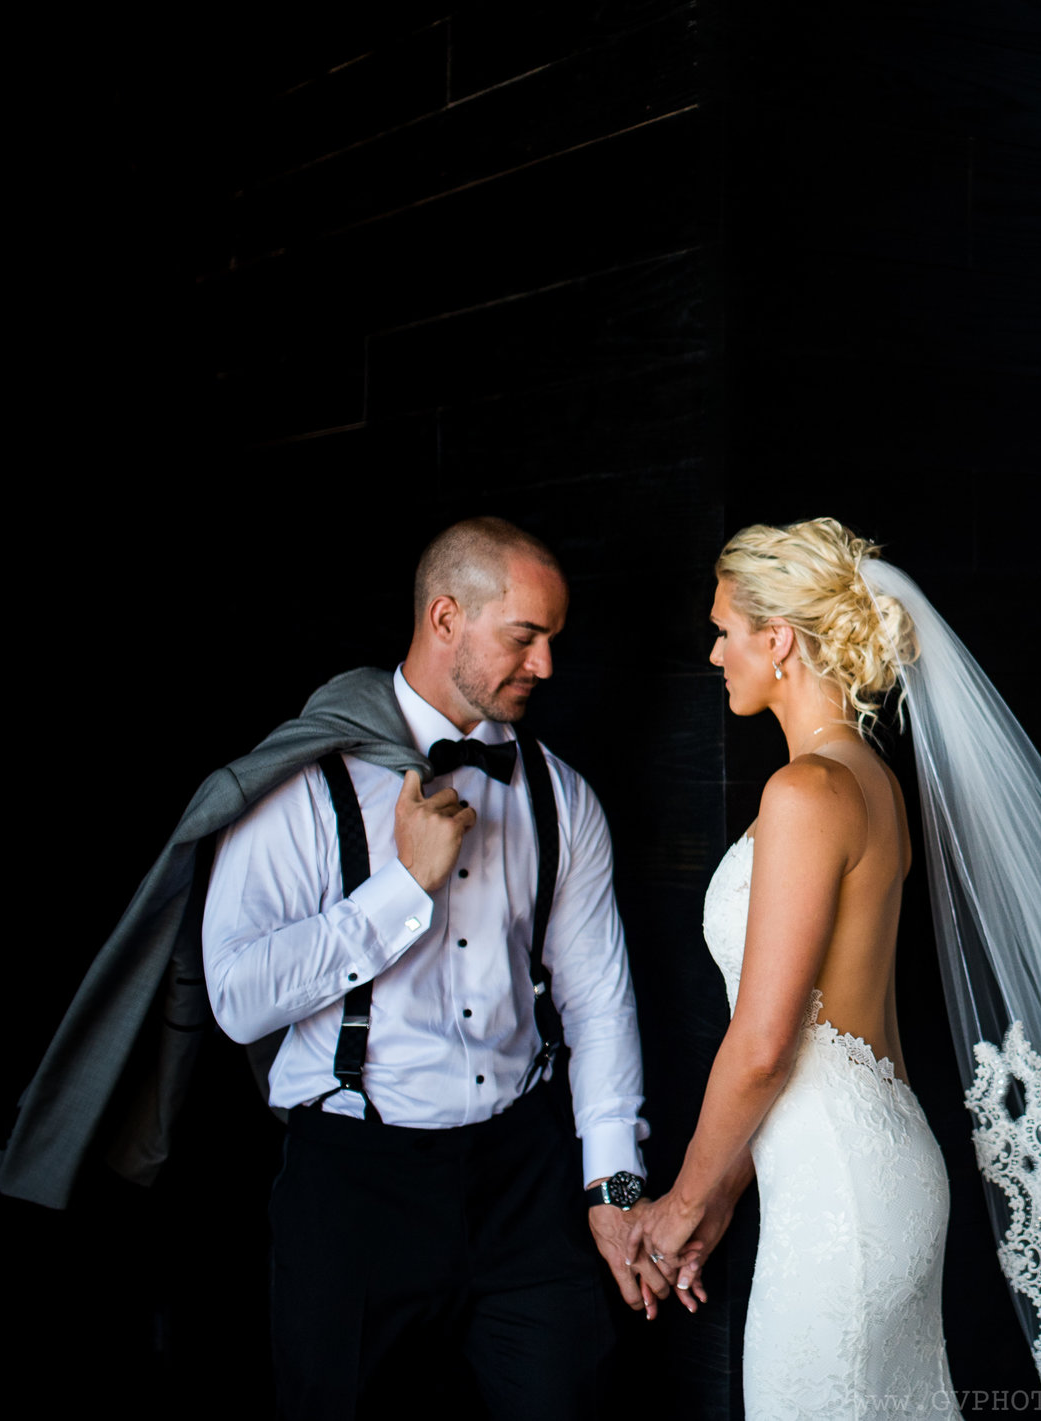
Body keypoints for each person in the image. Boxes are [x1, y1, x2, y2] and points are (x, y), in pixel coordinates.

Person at [622, 519, 1041, 1421]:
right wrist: (722, 1196)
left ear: (777, 639)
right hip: (881, 1170)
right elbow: (835, 1039)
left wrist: (678, 1206)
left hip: (841, 1196)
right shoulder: (868, 779)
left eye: (725, 629)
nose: (714, 653)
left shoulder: (803, 793)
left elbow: (764, 1044)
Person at [199, 516, 659, 1418]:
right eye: (525, 636)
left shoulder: (560, 797)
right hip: (357, 1185)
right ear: (445, 616)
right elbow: (236, 998)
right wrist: (402, 884)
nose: (546, 666)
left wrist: (613, 1185)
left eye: (553, 640)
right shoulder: (302, 784)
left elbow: (599, 1000)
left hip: (523, 1181)